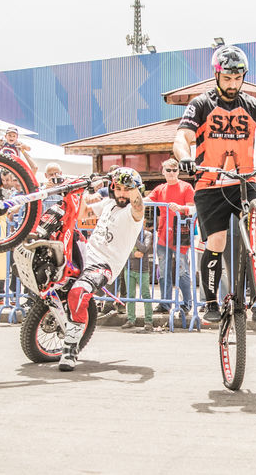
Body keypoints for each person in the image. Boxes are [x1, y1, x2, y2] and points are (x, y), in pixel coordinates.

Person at [172, 45, 256, 323]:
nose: (232, 84)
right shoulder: (201, 104)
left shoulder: (254, 106)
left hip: (244, 180)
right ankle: (211, 302)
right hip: (209, 182)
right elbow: (182, 138)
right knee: (216, 243)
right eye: (227, 78)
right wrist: (184, 158)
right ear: (217, 76)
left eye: (238, 78)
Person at [59, 168, 146, 371]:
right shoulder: (108, 204)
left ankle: (71, 347)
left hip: (104, 265)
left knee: (78, 293)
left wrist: (132, 186)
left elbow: (138, 205)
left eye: (128, 189)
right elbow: (81, 212)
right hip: (85, 254)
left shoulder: (134, 213)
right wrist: (82, 189)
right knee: (58, 240)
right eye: (119, 188)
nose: (122, 193)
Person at [148, 159, 195, 319]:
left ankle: (187, 303)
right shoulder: (160, 189)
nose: (171, 173)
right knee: (163, 272)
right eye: (168, 170)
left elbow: (192, 208)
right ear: (163, 171)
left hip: (181, 234)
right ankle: (165, 303)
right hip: (162, 236)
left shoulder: (186, 187)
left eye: (174, 170)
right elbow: (147, 200)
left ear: (178, 171)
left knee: (182, 270)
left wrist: (181, 208)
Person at [122, 227, 155, 332]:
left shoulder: (147, 234)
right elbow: (124, 250)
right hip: (129, 268)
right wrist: (133, 254)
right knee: (130, 295)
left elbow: (145, 248)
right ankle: (131, 319)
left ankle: (148, 321)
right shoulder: (128, 232)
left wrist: (133, 239)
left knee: (146, 295)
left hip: (143, 270)